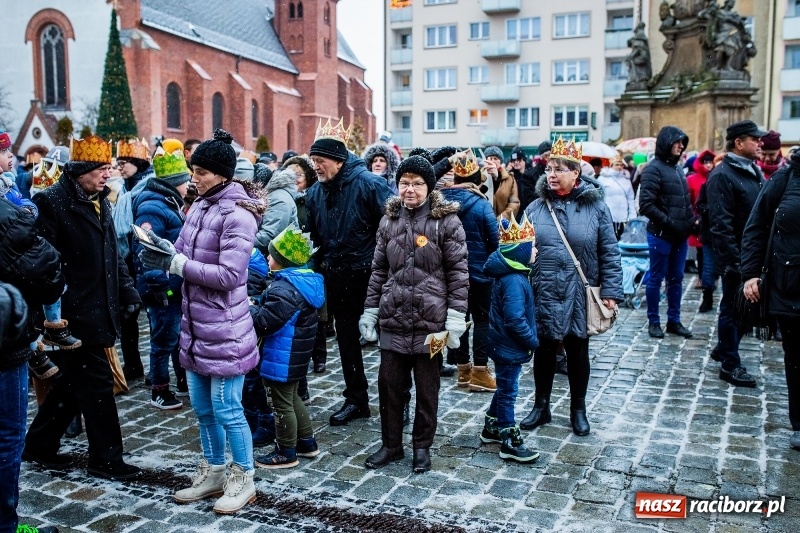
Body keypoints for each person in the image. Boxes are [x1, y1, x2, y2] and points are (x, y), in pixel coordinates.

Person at [139, 129, 265, 513]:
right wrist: (162, 250)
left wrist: (178, 264)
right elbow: (182, 251)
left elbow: (228, 276)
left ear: (223, 174)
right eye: (194, 170)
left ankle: (244, 477)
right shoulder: (200, 207)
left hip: (224, 329)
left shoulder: (238, 215)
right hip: (194, 328)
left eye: (202, 172)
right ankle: (213, 472)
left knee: (228, 408)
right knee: (203, 408)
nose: (194, 177)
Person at [23, 135, 143, 481]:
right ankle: (106, 459)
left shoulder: (99, 199)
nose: (108, 174)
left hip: (98, 305)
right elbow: (45, 263)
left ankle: (39, 444)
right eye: (101, 169)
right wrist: (53, 314)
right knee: (98, 386)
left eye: (109, 168)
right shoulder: (52, 202)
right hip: (72, 313)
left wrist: (128, 293)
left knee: (73, 383)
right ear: (80, 170)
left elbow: (113, 255)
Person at [359, 154, 468, 472]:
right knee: (389, 385)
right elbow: (379, 269)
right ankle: (391, 444)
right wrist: (370, 310)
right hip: (394, 318)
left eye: (417, 183)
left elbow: (459, 273)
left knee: (427, 389)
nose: (410, 189)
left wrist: (456, 316)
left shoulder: (446, 221)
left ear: (429, 186)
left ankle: (422, 446)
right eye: (405, 182)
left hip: (430, 320)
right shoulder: (388, 220)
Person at [521, 137, 623, 436]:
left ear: (576, 173)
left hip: (579, 290)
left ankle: (578, 409)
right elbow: (521, 250)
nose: (551, 175)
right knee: (544, 350)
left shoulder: (597, 208)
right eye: (549, 169)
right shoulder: (536, 208)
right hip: (544, 289)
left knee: (578, 351)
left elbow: (609, 250)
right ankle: (541, 407)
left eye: (559, 169)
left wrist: (611, 292)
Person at [305, 118, 393, 426]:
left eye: (321, 161)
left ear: (339, 161)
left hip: (373, 278)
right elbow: (314, 239)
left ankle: (398, 402)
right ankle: (357, 399)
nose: (315, 166)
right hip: (338, 278)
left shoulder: (370, 184)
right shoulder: (315, 193)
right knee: (346, 341)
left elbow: (392, 230)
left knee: (390, 343)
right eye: (313, 161)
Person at [0, 193, 65, 533]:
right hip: (5, 343)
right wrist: (12, 298)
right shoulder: (8, 211)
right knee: (7, 436)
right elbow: (49, 271)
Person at [740, 151, 800, 449]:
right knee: (797, 356)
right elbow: (756, 227)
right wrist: (750, 273)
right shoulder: (786, 178)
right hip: (790, 285)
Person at [251, 227, 324, 468]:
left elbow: (264, 322)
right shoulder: (301, 282)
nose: (267, 258)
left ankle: (285, 451)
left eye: (271, 256)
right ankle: (306, 443)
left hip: (281, 355)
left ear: (283, 262)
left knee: (280, 404)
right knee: (292, 398)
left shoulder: (284, 290)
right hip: (295, 355)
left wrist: (250, 307)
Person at [707, 120, 767, 388]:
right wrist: (735, 262)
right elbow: (721, 225)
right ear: (738, 143)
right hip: (737, 258)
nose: (760, 143)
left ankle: (724, 348)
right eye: (754, 139)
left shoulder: (753, 170)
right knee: (733, 308)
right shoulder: (722, 175)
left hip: (752, 254)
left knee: (743, 309)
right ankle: (730, 364)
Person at [132, 147, 191, 408]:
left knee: (176, 335)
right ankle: (159, 389)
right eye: (185, 180)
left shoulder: (167, 202)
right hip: (161, 288)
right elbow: (146, 247)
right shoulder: (153, 206)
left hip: (172, 285)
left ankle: (182, 381)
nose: (189, 185)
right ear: (174, 183)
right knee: (163, 338)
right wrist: (159, 284)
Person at [481, 216, 540, 463]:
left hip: (502, 343)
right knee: (508, 391)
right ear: (520, 253)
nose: (536, 250)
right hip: (509, 345)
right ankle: (508, 439)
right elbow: (515, 319)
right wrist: (532, 341)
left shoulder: (512, 274)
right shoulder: (515, 280)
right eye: (532, 246)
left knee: (505, 386)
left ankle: (490, 427)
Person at [440, 149, 499, 392]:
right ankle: (480, 374)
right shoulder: (482, 206)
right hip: (479, 274)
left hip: (451, 275)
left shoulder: (442, 203)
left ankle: (463, 370)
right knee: (482, 320)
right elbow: (495, 242)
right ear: (477, 180)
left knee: (460, 321)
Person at [638, 126, 695, 339]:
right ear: (667, 143)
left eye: (683, 143)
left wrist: (691, 221)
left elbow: (683, 202)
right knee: (655, 278)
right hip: (660, 235)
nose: (681, 146)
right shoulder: (654, 169)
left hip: (679, 236)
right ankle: (654, 321)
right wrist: (671, 223)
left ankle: (674, 321)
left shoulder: (678, 169)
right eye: (678, 142)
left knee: (676, 279)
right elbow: (646, 205)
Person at [112, 139, 152, 381]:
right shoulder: (125, 188)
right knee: (127, 317)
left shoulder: (145, 188)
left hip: (139, 260)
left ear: (138, 162)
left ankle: (158, 372)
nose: (121, 166)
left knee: (150, 317)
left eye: (124, 162)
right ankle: (133, 364)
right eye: (119, 162)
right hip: (126, 260)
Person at [687, 150, 716, 308]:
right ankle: (707, 291)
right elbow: (695, 202)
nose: (709, 165)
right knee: (705, 259)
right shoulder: (695, 180)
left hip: (719, 227)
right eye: (706, 162)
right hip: (704, 225)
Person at [254, 168, 299, 256]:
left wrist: (241, 243)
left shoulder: (279, 199)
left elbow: (270, 235)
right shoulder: (275, 194)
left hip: (282, 259)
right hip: (277, 257)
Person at [597, 153, 636, 239]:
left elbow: (630, 198)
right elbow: (599, 198)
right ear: (611, 165)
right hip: (608, 216)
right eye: (616, 164)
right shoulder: (603, 178)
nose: (619, 167)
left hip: (623, 217)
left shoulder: (626, 179)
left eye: (621, 165)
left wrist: (632, 215)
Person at [484, 146, 519, 220]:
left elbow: (514, 203)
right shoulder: (480, 177)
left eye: (495, 158)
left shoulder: (510, 179)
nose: (492, 161)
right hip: (483, 223)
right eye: (490, 158)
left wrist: (501, 219)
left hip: (503, 224)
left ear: (500, 161)